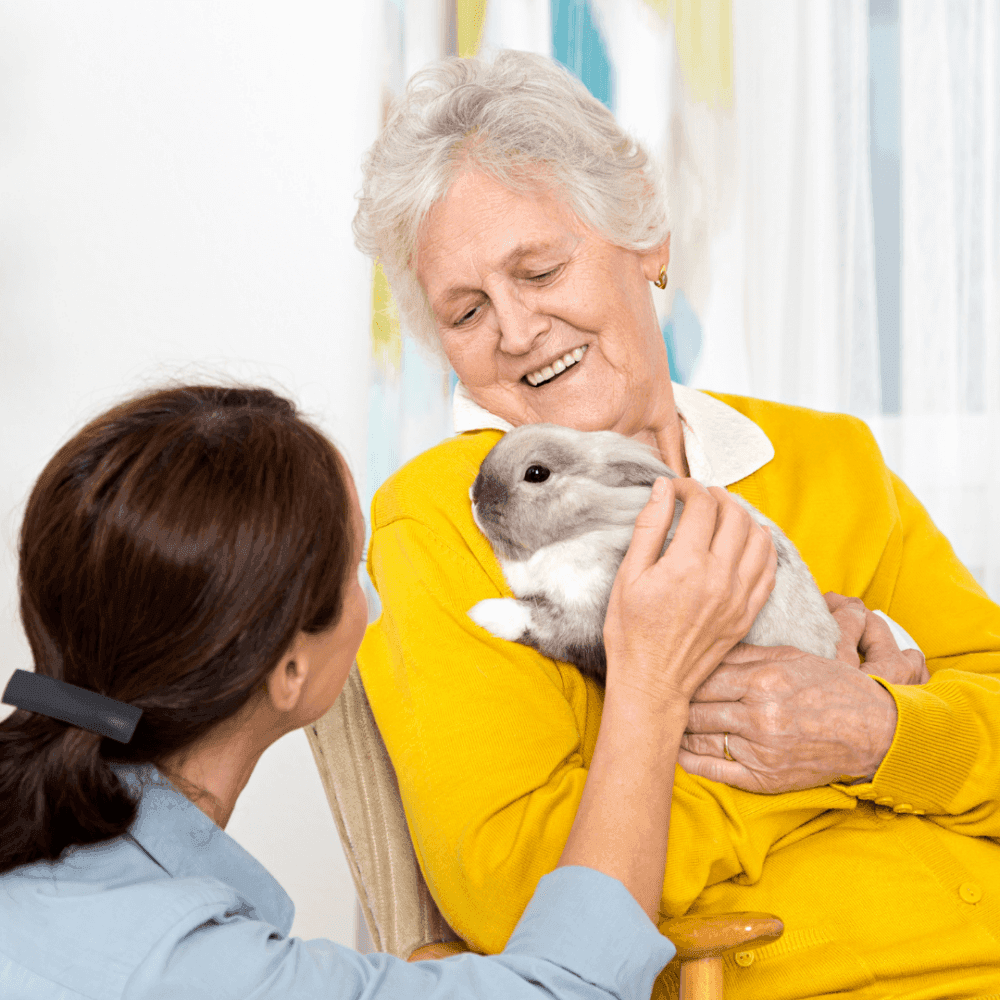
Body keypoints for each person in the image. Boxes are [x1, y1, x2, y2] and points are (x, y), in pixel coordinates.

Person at [352, 50, 1000, 998]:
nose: (519, 329)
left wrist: (876, 730)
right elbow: (516, 888)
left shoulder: (833, 461)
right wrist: (841, 764)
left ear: (645, 238)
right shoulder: (450, 521)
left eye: (540, 268)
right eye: (466, 310)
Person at [0, 383, 777, 1000]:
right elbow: (567, 990)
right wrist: (649, 683)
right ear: (291, 670)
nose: (372, 602)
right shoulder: (187, 969)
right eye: (353, 573)